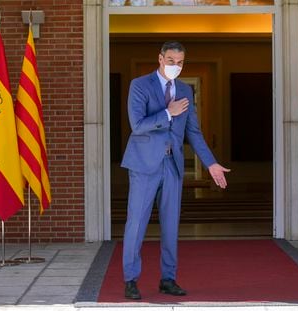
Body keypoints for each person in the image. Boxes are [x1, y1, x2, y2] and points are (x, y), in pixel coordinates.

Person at [120, 41, 230, 300]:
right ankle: (130, 280)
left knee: (171, 224)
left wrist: (211, 163)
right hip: (144, 166)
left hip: (173, 165)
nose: (175, 66)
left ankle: (168, 279)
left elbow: (193, 131)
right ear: (160, 59)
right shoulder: (140, 85)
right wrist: (167, 114)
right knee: (136, 223)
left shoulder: (185, 90)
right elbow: (137, 125)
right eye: (171, 61)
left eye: (180, 62)